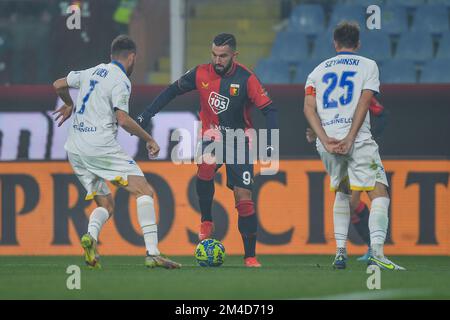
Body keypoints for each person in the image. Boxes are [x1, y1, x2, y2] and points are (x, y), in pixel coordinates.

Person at [136, 33, 278, 267]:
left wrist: (270, 143)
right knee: (205, 163)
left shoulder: (247, 78)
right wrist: (147, 113)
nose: (217, 60)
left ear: (234, 55)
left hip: (239, 141)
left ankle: (250, 256)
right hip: (211, 136)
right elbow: (172, 90)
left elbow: (270, 110)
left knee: (244, 200)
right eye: (214, 54)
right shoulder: (200, 72)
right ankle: (207, 220)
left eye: (223, 56)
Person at [52, 35, 181, 270]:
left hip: (75, 149)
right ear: (132, 57)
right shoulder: (121, 80)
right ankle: (152, 253)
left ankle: (90, 237)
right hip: (100, 147)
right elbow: (122, 119)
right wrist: (149, 138)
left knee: (106, 205)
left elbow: (58, 84)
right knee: (145, 191)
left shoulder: (91, 71)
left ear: (112, 55)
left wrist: (69, 103)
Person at [303, 21, 405, 270]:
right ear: (358, 43)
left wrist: (324, 139)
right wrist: (350, 137)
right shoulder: (368, 65)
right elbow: (364, 103)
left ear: (334, 43)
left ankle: (340, 252)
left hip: (326, 142)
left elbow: (308, 108)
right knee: (379, 192)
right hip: (356, 140)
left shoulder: (317, 71)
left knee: (343, 192)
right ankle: (378, 253)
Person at [305, 96, 388, 262]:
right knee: (351, 202)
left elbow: (382, 116)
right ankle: (369, 247)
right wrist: (320, 131)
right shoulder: (335, 94)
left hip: (359, 147)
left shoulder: (361, 91)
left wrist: (365, 136)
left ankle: (369, 248)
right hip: (340, 148)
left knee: (359, 199)